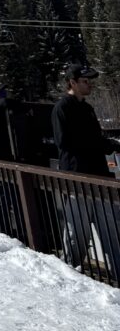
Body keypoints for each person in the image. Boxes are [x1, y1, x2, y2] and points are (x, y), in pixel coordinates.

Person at [52, 63, 120, 273]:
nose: (89, 84)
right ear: (72, 83)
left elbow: (97, 139)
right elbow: (63, 142)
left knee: (112, 229)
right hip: (77, 179)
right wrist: (95, 143)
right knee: (77, 232)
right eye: (85, 81)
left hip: (99, 177)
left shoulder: (88, 108)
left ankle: (117, 273)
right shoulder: (62, 108)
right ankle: (70, 272)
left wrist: (111, 144)